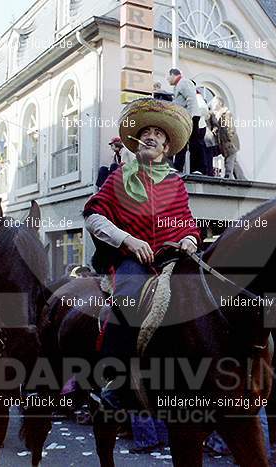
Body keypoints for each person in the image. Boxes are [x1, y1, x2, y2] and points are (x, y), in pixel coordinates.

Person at [83, 98, 200, 406]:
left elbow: (187, 222)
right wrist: (128, 241)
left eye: (158, 134)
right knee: (129, 294)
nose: (151, 136)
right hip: (131, 260)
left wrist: (189, 239)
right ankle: (116, 382)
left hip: (171, 259)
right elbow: (94, 216)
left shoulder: (176, 183)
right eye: (145, 132)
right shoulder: (119, 177)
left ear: (166, 147)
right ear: (136, 142)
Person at [166, 69, 202, 173]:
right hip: (185, 117)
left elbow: (191, 99)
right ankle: (178, 167)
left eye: (168, 77)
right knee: (181, 141)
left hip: (190, 117)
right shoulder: (179, 85)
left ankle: (197, 169)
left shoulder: (184, 83)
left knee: (194, 142)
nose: (167, 80)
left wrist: (189, 117)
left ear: (173, 75)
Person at [209, 96, 246, 180]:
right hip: (224, 142)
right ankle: (242, 179)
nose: (213, 104)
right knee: (234, 162)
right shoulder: (217, 115)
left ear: (219, 103)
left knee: (229, 160)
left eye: (215, 103)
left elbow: (230, 128)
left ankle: (228, 176)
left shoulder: (226, 113)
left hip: (230, 142)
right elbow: (218, 127)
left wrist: (229, 139)